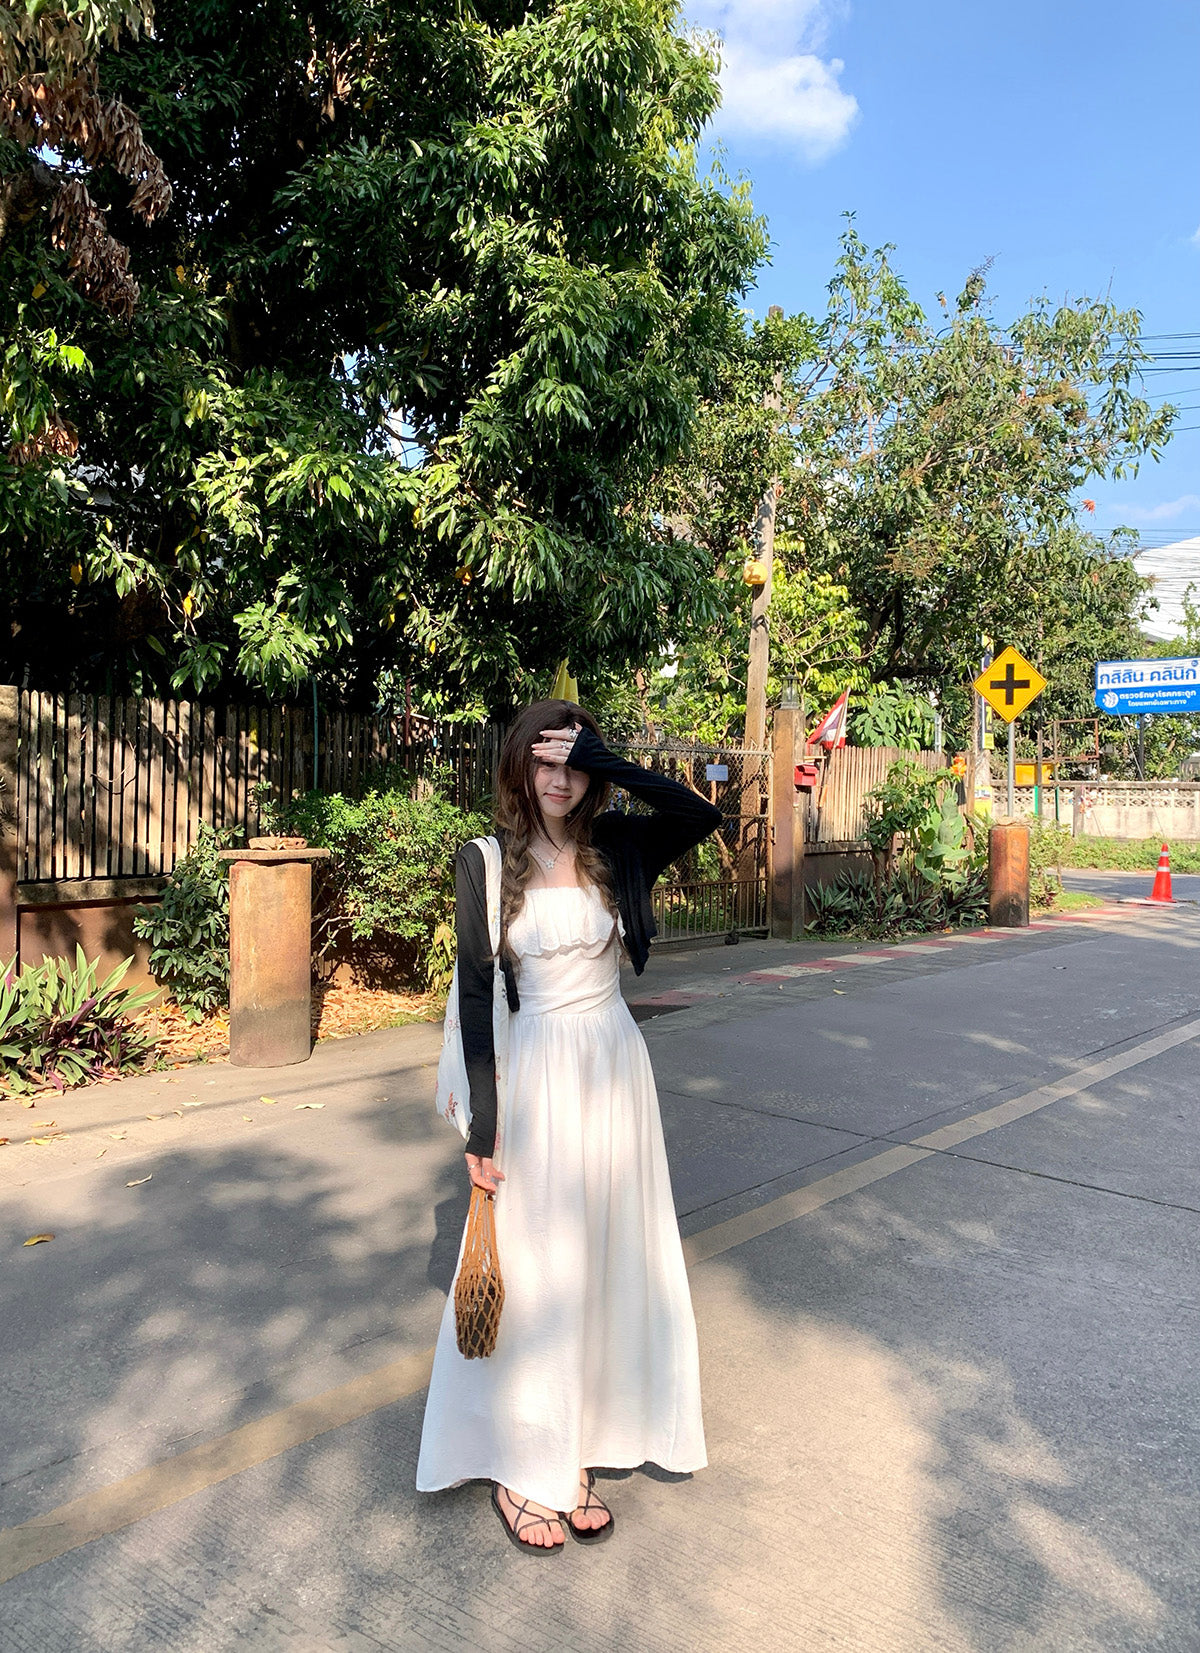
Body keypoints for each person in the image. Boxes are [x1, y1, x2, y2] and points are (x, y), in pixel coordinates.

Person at [415, 698, 723, 1551]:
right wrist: (482, 1131)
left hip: (614, 1069)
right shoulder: (484, 860)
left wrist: (606, 757)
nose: (560, 779)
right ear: (518, 767)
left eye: (573, 762)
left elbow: (699, 814)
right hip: (537, 1075)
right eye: (544, 761)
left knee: (606, 1258)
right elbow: (476, 994)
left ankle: (574, 1447)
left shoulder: (614, 843)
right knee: (540, 1266)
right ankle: (523, 1465)